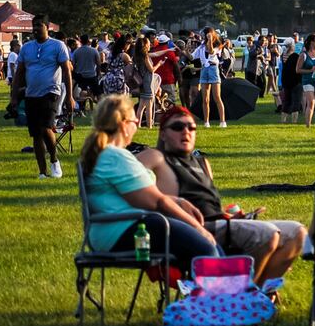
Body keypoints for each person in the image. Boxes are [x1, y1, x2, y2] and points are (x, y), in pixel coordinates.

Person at [136, 106, 305, 282]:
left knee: (297, 232)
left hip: (221, 224)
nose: (186, 132)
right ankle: (238, 296)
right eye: (177, 127)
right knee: (267, 235)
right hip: (189, 230)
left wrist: (234, 216)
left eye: (191, 127)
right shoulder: (157, 157)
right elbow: (124, 177)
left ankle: (258, 293)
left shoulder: (202, 163)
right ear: (163, 134)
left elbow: (208, 204)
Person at [80, 95, 219, 269]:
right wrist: (198, 228)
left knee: (210, 249)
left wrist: (180, 201)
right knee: (208, 250)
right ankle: (215, 295)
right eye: (134, 120)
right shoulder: (115, 157)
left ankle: (202, 294)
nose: (137, 124)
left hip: (117, 230)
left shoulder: (105, 154)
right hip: (127, 230)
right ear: (124, 125)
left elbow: (139, 195)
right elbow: (157, 202)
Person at [12, 15, 74, 179]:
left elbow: (66, 71)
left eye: (39, 25)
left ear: (48, 28)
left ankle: (54, 160)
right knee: (36, 133)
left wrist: (70, 97)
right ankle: (42, 171)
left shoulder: (57, 46)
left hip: (51, 92)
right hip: (31, 94)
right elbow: (19, 73)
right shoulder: (26, 47)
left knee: (45, 128)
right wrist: (14, 98)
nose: (35, 28)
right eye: (34, 25)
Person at [195, 30, 226, 128]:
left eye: (208, 33)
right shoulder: (202, 45)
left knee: (216, 96)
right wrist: (184, 50)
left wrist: (210, 40)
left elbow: (212, 51)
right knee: (205, 98)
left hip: (213, 69)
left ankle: (222, 121)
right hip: (204, 69)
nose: (206, 35)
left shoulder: (218, 44)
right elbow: (192, 56)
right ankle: (206, 122)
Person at [297, 34, 315, 128]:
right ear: (311, 42)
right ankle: (308, 126)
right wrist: (310, 70)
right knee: (311, 102)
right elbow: (298, 70)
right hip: (307, 81)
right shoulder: (303, 55)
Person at [70, 36, 102, 112]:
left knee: (81, 92)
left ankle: (80, 108)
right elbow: (98, 64)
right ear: (88, 41)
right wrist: (98, 73)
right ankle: (102, 107)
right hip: (92, 75)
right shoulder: (94, 51)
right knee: (98, 93)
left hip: (81, 76)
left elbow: (73, 65)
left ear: (80, 41)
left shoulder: (77, 51)